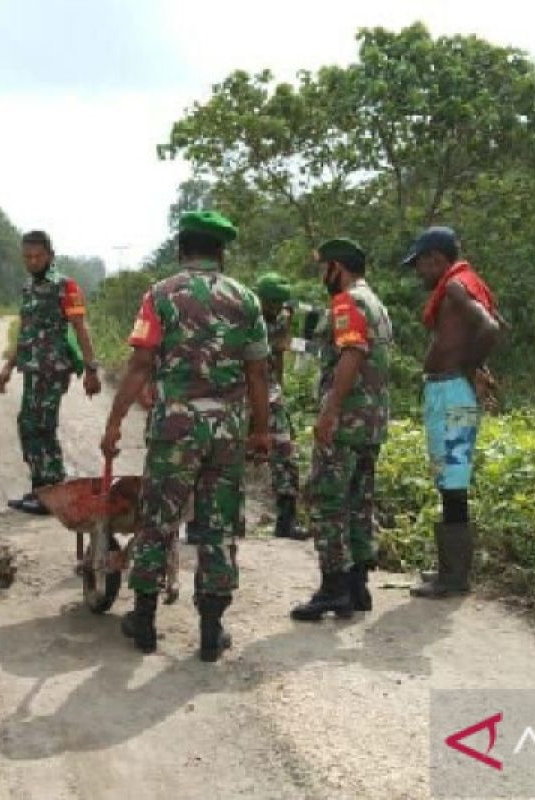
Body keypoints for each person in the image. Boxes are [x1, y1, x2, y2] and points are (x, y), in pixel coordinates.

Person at [101, 210, 270, 662]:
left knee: (158, 520)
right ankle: (211, 630)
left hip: (175, 429)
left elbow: (139, 366)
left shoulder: (160, 296)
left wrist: (114, 423)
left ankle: (144, 621)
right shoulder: (246, 300)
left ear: (181, 251)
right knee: (217, 526)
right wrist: (262, 432)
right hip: (226, 432)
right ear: (221, 253)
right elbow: (257, 373)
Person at [291, 239, 393, 621]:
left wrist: (329, 413)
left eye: (325, 269)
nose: (323, 277)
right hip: (371, 423)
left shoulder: (348, 302)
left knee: (329, 501)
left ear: (338, 268)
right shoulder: (375, 303)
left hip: (347, 421)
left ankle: (333, 588)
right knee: (359, 502)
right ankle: (357, 586)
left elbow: (352, 354)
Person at [401, 226, 502, 598]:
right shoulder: (462, 284)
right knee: (448, 478)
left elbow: (490, 328)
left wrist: (467, 366)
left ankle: (455, 577)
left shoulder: (458, 286)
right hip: (447, 390)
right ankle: (449, 570)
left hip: (453, 392)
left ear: (436, 259)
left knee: (455, 479)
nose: (419, 272)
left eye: (420, 264)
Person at [0, 230, 101, 514]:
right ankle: (40, 489)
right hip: (31, 368)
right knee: (28, 426)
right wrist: (7, 368)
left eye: (37, 256)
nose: (32, 262)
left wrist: (91, 370)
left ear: (50, 256)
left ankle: (51, 492)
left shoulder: (66, 286)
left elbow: (80, 328)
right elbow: (25, 333)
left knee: (42, 426)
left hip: (53, 370)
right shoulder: (28, 287)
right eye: (27, 257)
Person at [254, 272, 307, 540]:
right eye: (270, 303)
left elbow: (280, 353)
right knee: (225, 455)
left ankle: (286, 520)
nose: (274, 309)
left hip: (271, 390)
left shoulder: (283, 316)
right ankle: (215, 521)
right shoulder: (246, 317)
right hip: (242, 390)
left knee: (285, 452)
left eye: (278, 303)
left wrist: (280, 389)